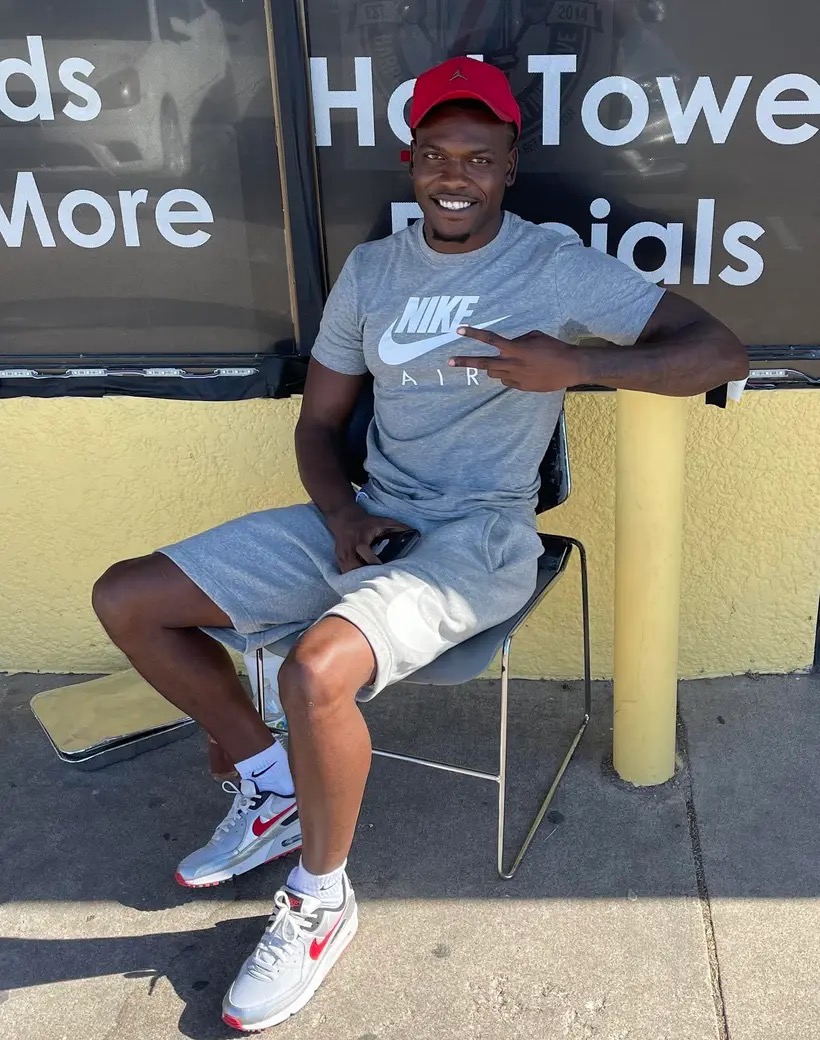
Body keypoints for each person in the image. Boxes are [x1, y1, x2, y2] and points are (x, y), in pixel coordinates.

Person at [92, 56, 747, 1032]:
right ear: (411, 162)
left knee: (317, 671)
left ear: (509, 166)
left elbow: (719, 351)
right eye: (437, 154)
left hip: (480, 536)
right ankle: (268, 782)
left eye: (478, 157)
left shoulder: (552, 263)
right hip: (374, 513)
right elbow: (319, 426)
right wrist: (342, 514)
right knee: (128, 598)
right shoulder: (373, 271)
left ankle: (321, 900)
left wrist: (578, 363)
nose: (455, 175)